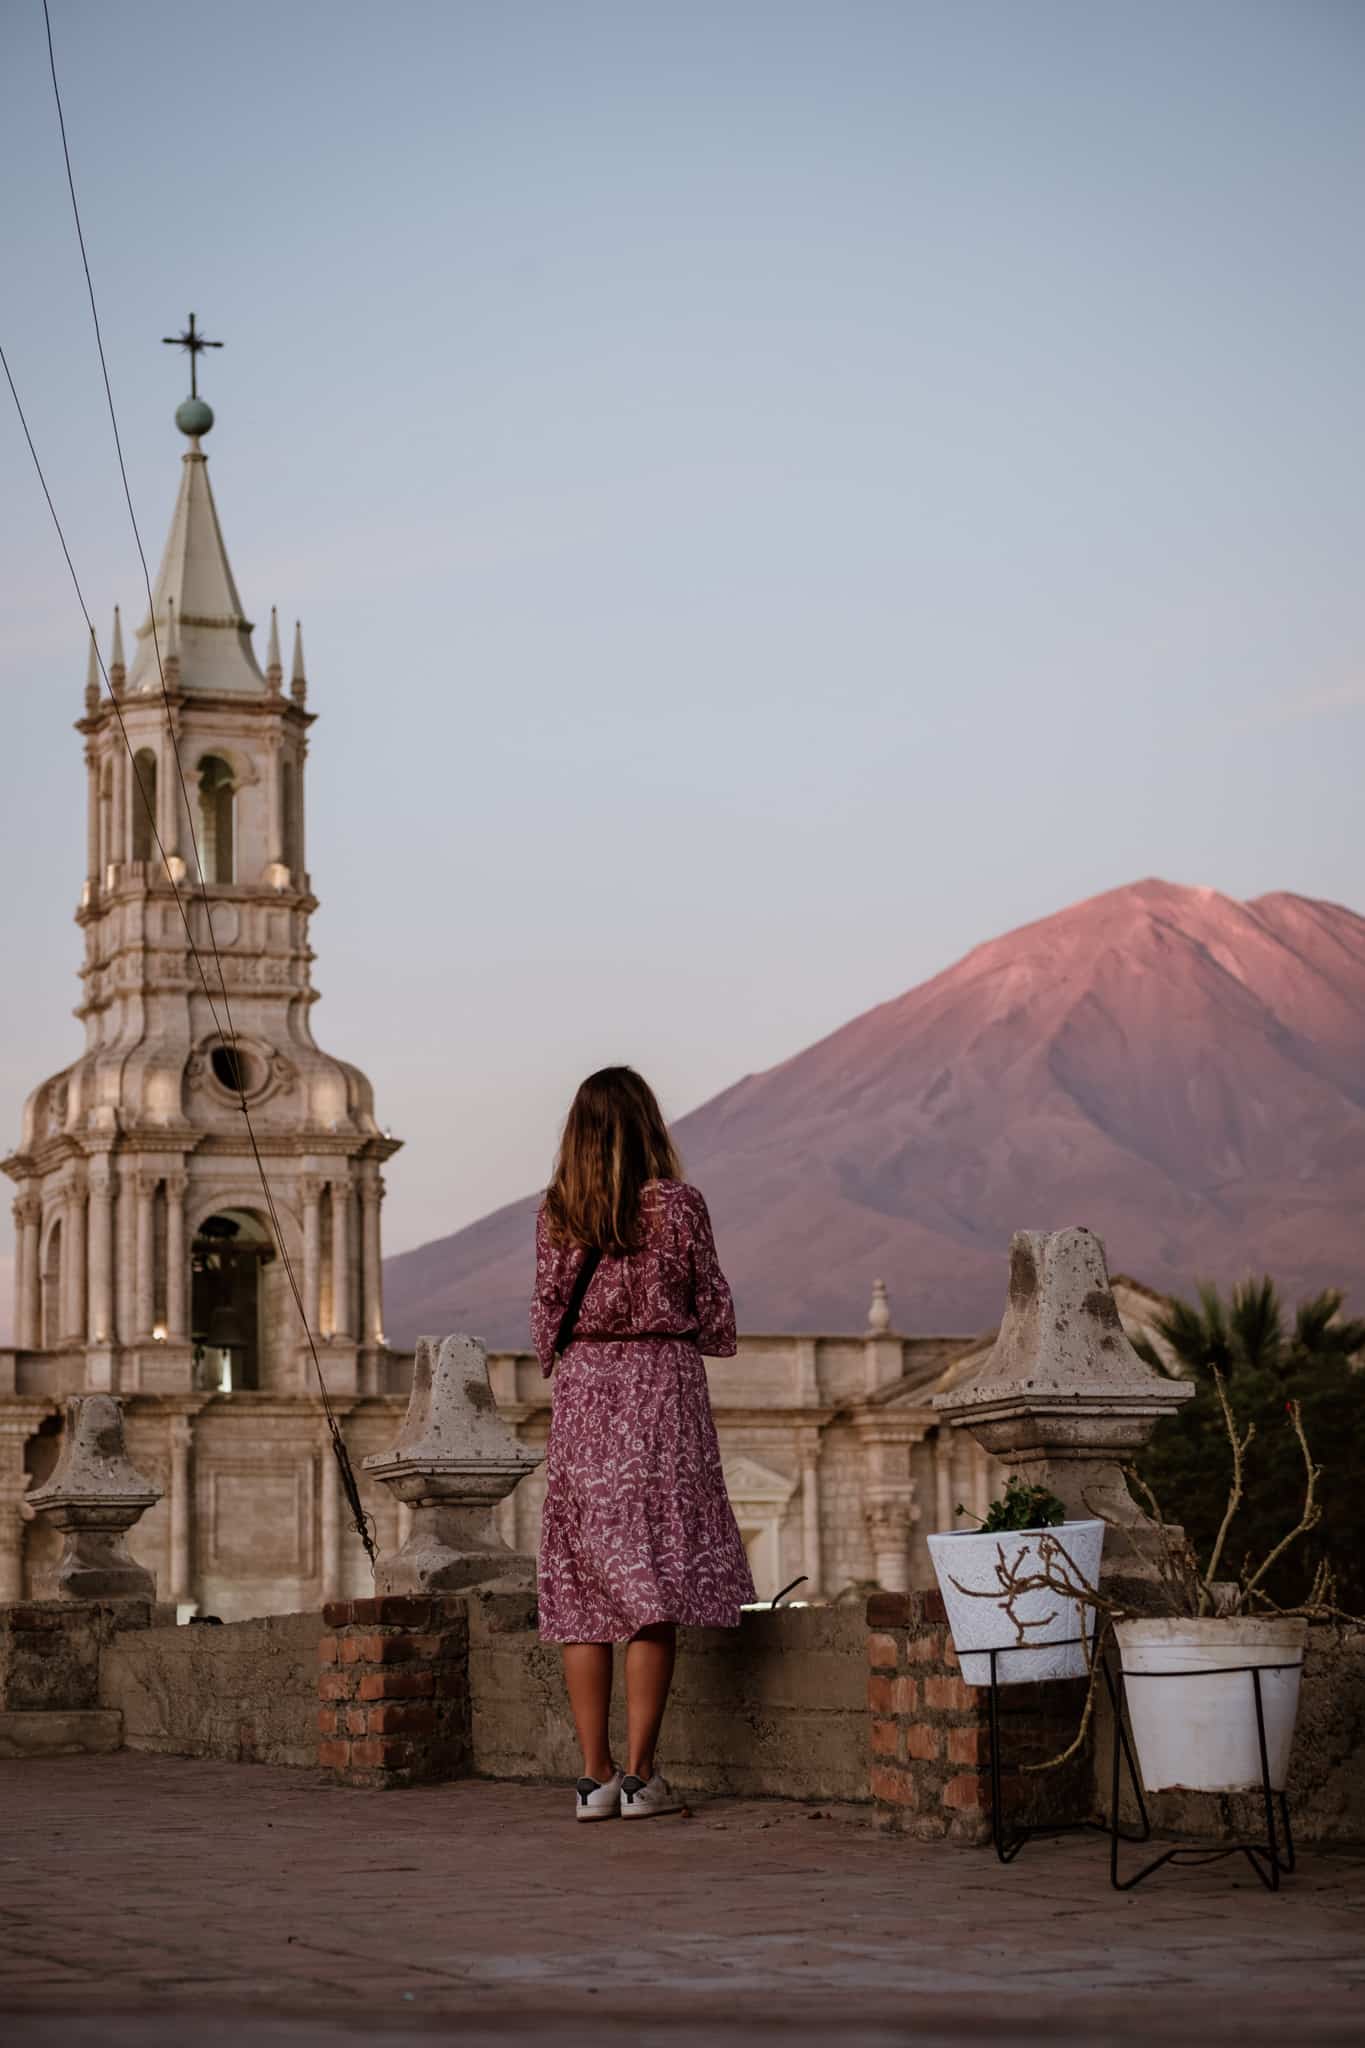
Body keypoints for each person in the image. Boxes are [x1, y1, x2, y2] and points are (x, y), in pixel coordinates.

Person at [530, 1066, 756, 1821]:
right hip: (663, 1389)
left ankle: (591, 1779)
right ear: (650, 1125)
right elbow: (715, 1312)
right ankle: (640, 1775)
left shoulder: (558, 1211)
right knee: (653, 1579)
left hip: (586, 1392)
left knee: (585, 1589)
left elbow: (544, 1320)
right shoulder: (680, 1206)